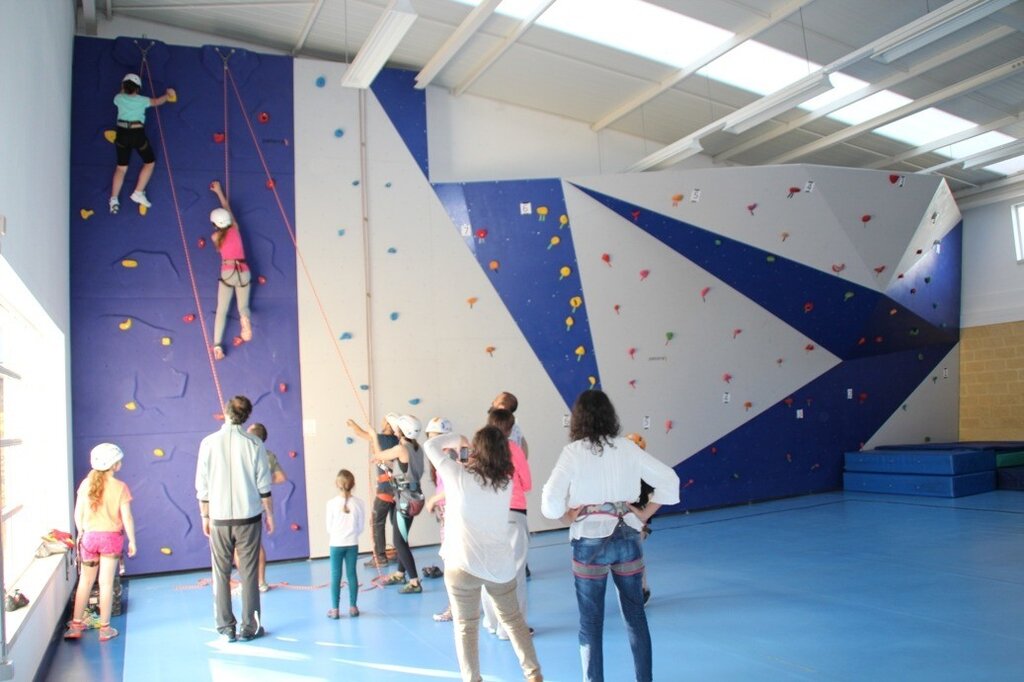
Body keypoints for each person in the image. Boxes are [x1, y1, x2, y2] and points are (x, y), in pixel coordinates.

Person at [541, 390, 679, 682]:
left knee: (590, 624)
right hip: (628, 536)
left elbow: (549, 502)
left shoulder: (573, 452)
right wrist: (644, 513)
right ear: (610, 416)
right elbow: (669, 479)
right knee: (636, 618)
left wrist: (567, 516)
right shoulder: (628, 448)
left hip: (588, 542)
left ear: (578, 420)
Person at [425, 427, 543, 682]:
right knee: (514, 621)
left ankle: (473, 678)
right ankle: (533, 673)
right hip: (499, 566)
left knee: (466, 627)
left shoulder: (458, 475)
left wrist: (456, 439)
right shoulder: (506, 482)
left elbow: (430, 447)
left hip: (461, 565)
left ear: (476, 451)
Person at [195, 395, 274, 642]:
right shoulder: (254, 444)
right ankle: (250, 628)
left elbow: (202, 484)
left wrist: (204, 515)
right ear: (247, 416)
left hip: (218, 517)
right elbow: (264, 483)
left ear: (226, 411)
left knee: (220, 572)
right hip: (248, 517)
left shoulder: (208, 443)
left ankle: (226, 628)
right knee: (249, 573)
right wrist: (270, 513)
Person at [64, 443, 137, 642]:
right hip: (111, 539)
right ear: (114, 464)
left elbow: (78, 514)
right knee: (105, 583)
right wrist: (132, 540)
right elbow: (127, 517)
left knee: (85, 582)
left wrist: (83, 532)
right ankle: (105, 629)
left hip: (89, 538)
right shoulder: (120, 487)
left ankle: (76, 625)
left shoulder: (85, 485)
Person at [481, 408, 531, 639]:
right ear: (510, 429)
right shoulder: (514, 450)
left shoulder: (479, 451)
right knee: (515, 572)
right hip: (513, 514)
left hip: (486, 516)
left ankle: (491, 622)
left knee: (489, 570)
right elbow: (527, 483)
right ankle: (512, 627)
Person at [368, 414, 425, 594]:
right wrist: (385, 464)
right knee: (402, 537)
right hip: (413, 496)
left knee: (399, 541)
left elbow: (378, 454)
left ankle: (414, 581)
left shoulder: (401, 448)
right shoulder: (416, 448)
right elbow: (400, 467)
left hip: (405, 500)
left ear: (401, 430)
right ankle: (401, 573)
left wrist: (372, 435)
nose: (394, 429)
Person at [109, 73, 175, 214]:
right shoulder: (142, 100)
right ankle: (138, 192)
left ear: (123, 86)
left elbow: (122, 94)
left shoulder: (118, 98)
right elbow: (157, 102)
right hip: (136, 134)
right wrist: (167, 95)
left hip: (121, 133)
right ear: (138, 89)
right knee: (149, 162)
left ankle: (114, 199)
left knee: (121, 168)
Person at [423, 417, 466, 622]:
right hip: (447, 511)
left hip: (450, 512)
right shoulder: (446, 456)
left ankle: (455, 607)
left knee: (451, 561)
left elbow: (454, 484)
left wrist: (434, 499)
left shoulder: (449, 456)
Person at [346, 413, 402, 568]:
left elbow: (361, 434)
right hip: (395, 487)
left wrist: (352, 424)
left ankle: (380, 557)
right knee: (395, 522)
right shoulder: (396, 440)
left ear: (389, 425)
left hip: (385, 488)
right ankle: (400, 553)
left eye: (384, 420)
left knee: (377, 521)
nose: (382, 420)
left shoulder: (381, 438)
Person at [208, 180, 253, 360]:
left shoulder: (215, 237)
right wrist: (219, 191)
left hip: (228, 272)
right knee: (243, 306)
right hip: (243, 270)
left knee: (222, 310)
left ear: (215, 225)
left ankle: (217, 346)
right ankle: (244, 318)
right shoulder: (235, 228)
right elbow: (226, 207)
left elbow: (221, 221)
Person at [245, 422, 287, 592]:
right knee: (255, 544)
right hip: (256, 505)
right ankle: (260, 582)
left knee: (238, 546)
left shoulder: (243, 454)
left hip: (243, 506)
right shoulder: (267, 455)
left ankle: (250, 584)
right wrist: (261, 484)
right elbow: (281, 477)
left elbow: (281, 477)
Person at [326, 469, 365, 618]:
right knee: (352, 574)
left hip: (336, 544)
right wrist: (352, 534)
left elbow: (328, 527)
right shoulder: (359, 503)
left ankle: (335, 609)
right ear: (353, 484)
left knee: (335, 576)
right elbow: (360, 527)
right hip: (352, 543)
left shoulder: (331, 504)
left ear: (337, 484)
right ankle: (353, 607)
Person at [625, 432, 655, 605]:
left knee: (636, 555)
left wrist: (645, 521)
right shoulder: (623, 471)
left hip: (639, 517)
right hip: (625, 516)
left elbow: (651, 496)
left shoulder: (645, 472)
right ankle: (635, 588)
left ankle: (642, 588)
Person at [491, 391, 529, 458]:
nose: (492, 401)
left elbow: (467, 460)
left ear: (501, 407)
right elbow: (524, 448)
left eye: (496, 399)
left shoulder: (498, 427)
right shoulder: (516, 426)